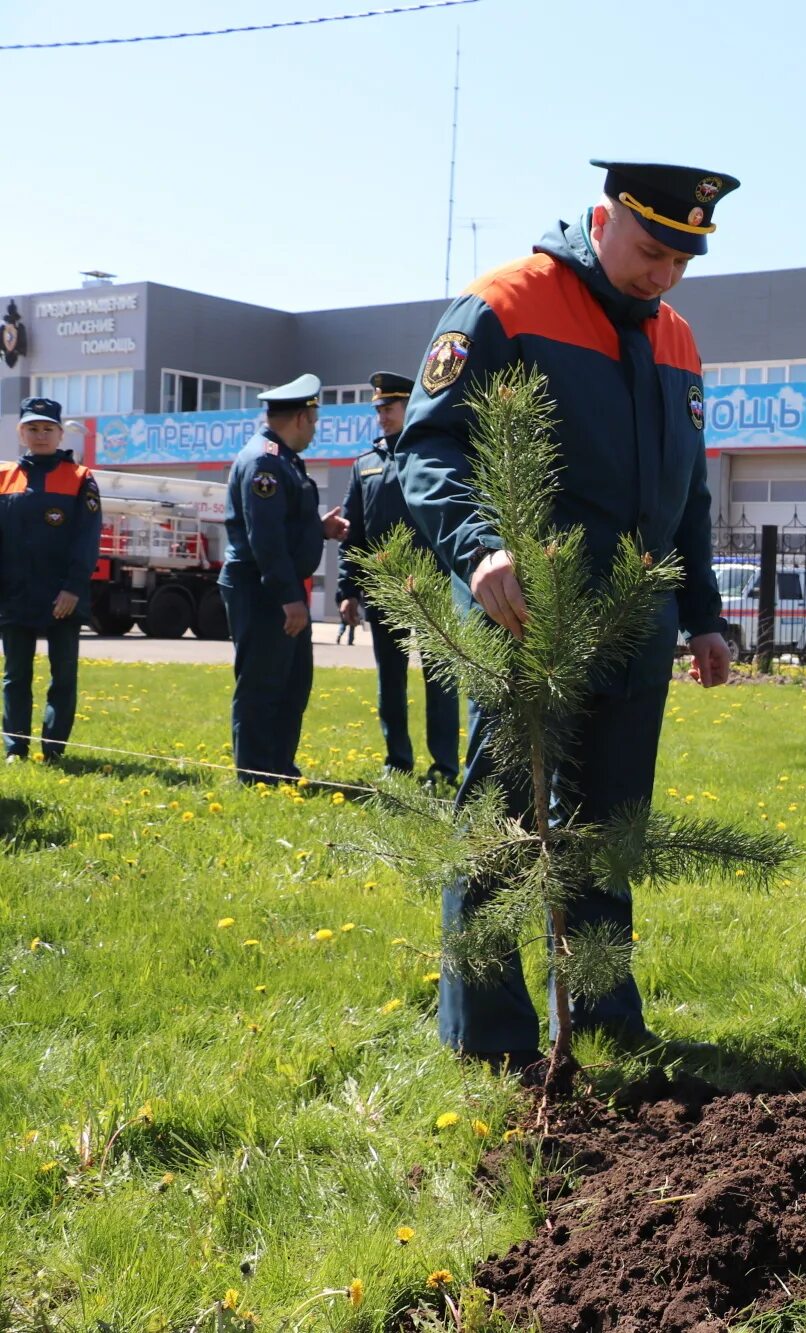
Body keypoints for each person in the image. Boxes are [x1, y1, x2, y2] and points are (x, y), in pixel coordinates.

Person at [396, 158, 738, 1072]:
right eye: (651, 249)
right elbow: (425, 450)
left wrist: (703, 613)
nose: (663, 274)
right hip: (522, 618)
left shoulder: (678, 340)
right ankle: (492, 1037)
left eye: (683, 259)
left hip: (636, 627)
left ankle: (603, 1023)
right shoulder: (505, 305)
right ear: (602, 216)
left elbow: (687, 493)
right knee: (503, 830)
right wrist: (477, 546)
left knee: (607, 830)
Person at [218, 374, 348, 784]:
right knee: (262, 683)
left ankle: (278, 767)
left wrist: (316, 528)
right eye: (314, 420)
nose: (314, 429)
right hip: (263, 590)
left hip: (279, 587)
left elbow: (284, 524)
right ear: (301, 416)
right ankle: (256, 775)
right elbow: (265, 538)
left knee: (292, 683)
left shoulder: (282, 458)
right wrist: (289, 599)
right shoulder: (265, 462)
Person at [338, 371, 461, 785]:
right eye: (378, 409)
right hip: (384, 588)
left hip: (433, 587)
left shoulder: (432, 457)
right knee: (389, 681)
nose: (382, 416)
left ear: (411, 406)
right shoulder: (365, 465)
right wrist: (347, 588)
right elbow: (352, 533)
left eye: (389, 408)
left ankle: (444, 768)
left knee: (440, 682)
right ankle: (397, 762)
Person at [0, 398, 100, 763]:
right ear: (20, 431)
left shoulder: (80, 478)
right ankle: (16, 749)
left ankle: (54, 750)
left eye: (47, 428)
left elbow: (87, 539)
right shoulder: (4, 477)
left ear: (60, 433)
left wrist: (73, 587)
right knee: (15, 677)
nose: (40, 435)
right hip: (15, 595)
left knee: (63, 677)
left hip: (63, 596)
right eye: (32, 428)